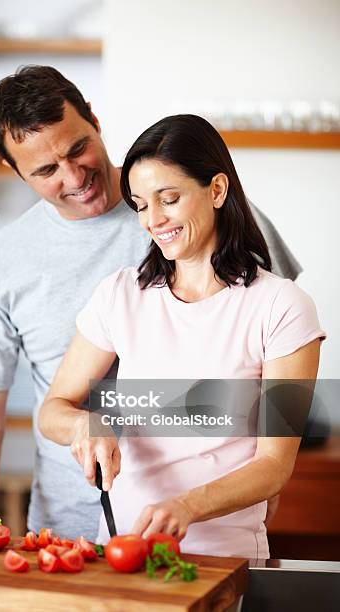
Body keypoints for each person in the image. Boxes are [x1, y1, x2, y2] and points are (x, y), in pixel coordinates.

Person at [0, 65, 300, 541]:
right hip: (72, 524)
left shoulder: (209, 212)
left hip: (211, 521)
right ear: (14, 172)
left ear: (94, 119)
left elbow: (278, 351)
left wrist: (256, 485)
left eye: (77, 148)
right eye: (47, 170)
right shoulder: (5, 263)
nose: (74, 176)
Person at [38, 114, 325, 558]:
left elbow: (274, 465)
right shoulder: (119, 295)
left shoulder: (282, 307)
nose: (153, 220)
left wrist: (187, 507)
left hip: (223, 557)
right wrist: (85, 423)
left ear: (216, 190)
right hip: (120, 550)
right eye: (140, 204)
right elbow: (53, 409)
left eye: (168, 198)